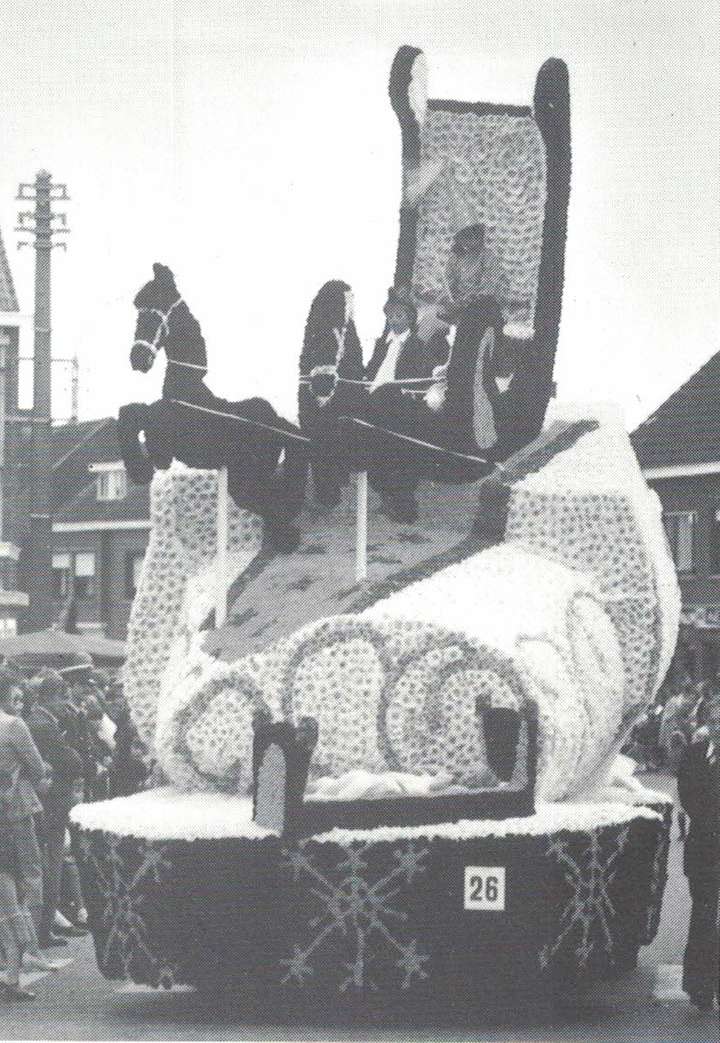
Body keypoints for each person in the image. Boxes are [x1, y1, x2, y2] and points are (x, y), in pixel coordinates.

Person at [364, 286, 449, 522]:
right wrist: (365, 379)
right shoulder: (383, 344)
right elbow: (372, 368)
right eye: (390, 316)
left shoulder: (415, 345)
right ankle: (385, 498)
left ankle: (404, 506)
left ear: (410, 318)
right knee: (377, 452)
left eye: (399, 316)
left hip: (399, 406)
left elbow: (426, 371)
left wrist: (435, 372)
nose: (394, 320)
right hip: (376, 403)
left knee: (399, 454)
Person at [26, 672, 84, 949]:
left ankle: (46, 927)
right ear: (54, 695)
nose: (68, 703)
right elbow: (72, 761)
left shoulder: (46, 721)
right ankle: (43, 929)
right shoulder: (43, 725)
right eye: (65, 697)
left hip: (54, 803)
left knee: (54, 865)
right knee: (51, 866)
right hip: (50, 806)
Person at [676, 689, 719, 1011]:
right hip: (704, 846)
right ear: (708, 724)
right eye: (715, 720)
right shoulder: (693, 754)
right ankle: (699, 986)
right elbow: (687, 795)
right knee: (703, 914)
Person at [0, 670, 47, 940]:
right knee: (31, 871)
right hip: (16, 804)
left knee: (4, 873)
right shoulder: (14, 725)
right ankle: (32, 941)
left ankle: (8, 944)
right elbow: (38, 767)